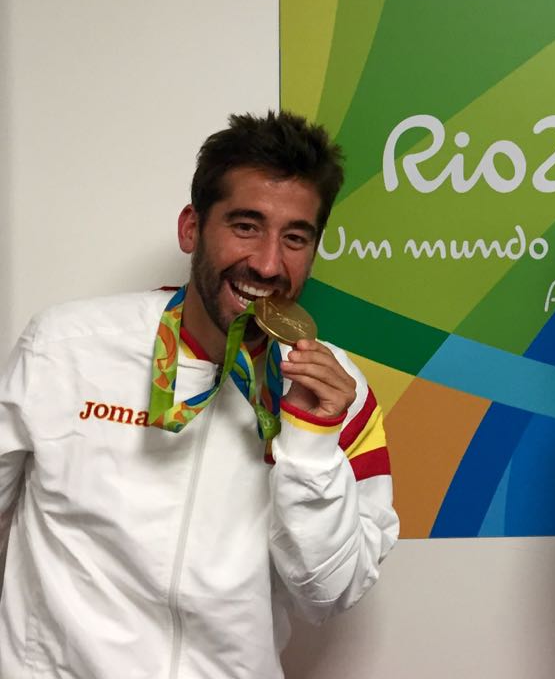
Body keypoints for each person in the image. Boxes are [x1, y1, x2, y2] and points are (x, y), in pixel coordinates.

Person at [0, 111, 399, 678]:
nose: (266, 262)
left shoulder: (338, 391)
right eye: (245, 225)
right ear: (192, 228)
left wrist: (310, 444)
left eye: (294, 237)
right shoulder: (66, 348)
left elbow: (328, 597)